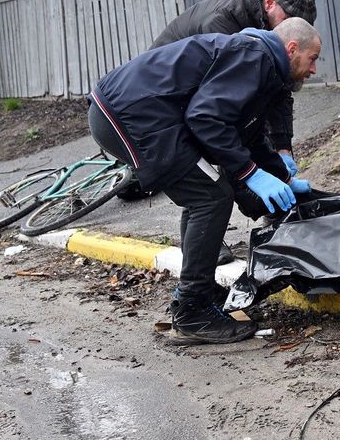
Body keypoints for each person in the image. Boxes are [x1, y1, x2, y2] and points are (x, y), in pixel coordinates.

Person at [87, 18, 322, 344]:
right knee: (209, 197)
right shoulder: (252, 56)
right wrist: (251, 175)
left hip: (128, 110)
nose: (313, 70)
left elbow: (249, 137)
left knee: (204, 191)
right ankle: (192, 312)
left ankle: (196, 291)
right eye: (313, 59)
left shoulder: (261, 63)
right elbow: (206, 117)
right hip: (130, 114)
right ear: (292, 49)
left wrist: (280, 178)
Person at [152, 0, 317, 264]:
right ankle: (204, 246)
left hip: (205, 97)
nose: (290, 28)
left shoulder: (273, 37)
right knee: (202, 174)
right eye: (288, 19)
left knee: (243, 151)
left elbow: (278, 94)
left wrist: (282, 150)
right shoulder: (225, 25)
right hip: (168, 93)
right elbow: (220, 114)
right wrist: (253, 175)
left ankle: (276, 214)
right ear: (269, 4)